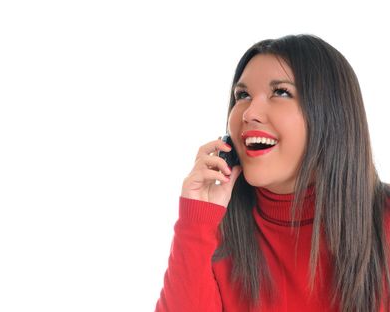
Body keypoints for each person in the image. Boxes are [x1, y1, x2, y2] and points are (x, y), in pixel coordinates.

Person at [155, 34, 390, 312]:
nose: (249, 113)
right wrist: (196, 219)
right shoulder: (210, 229)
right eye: (242, 96)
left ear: (332, 116)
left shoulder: (383, 221)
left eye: (280, 92)